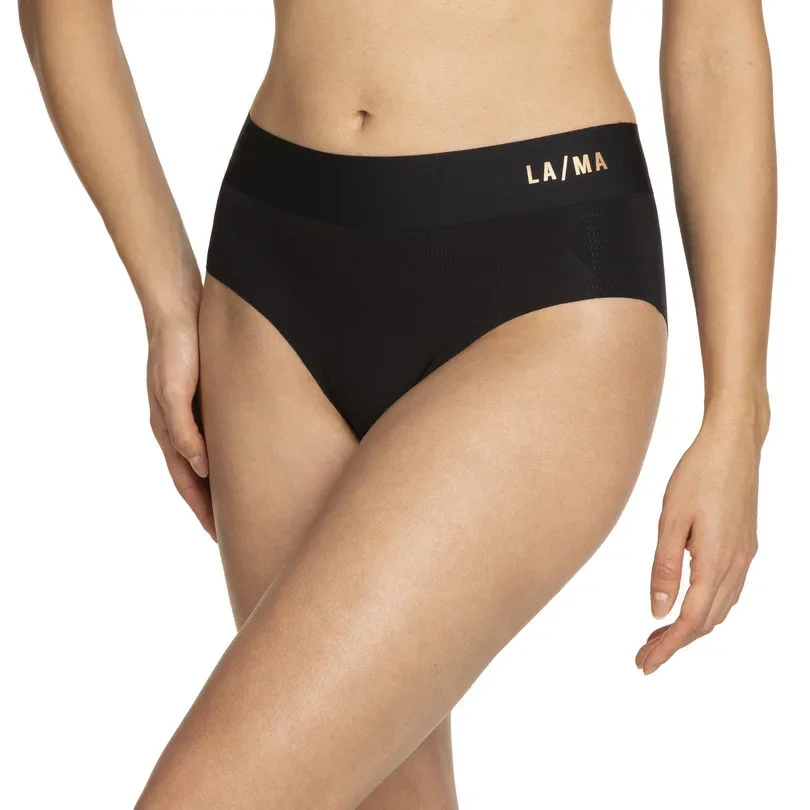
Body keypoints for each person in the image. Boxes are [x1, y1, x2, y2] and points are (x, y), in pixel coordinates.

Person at [19, 0, 775, 807]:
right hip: (272, 285)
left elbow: (715, 45)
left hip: (542, 279)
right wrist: (168, 302)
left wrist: (737, 413)